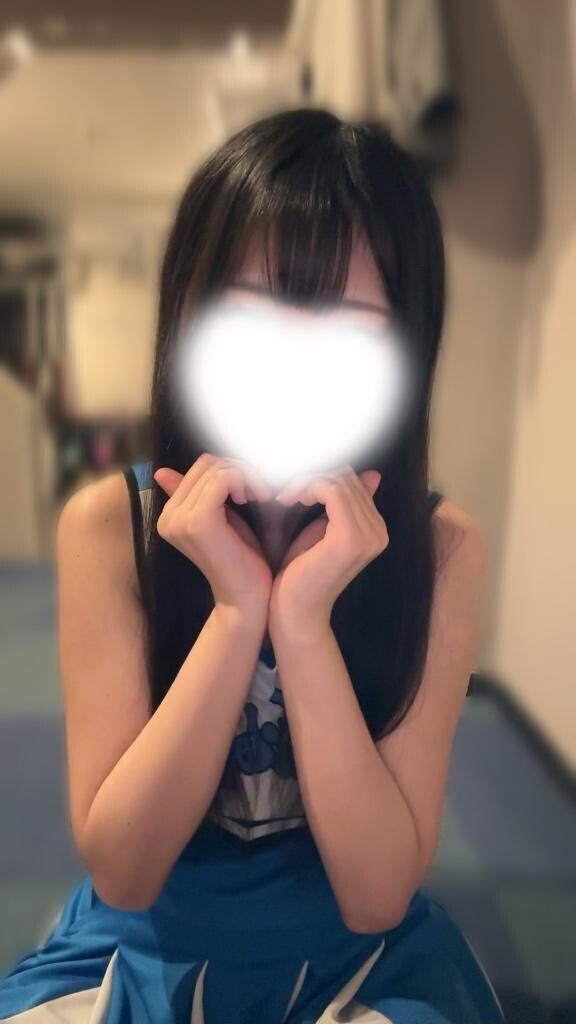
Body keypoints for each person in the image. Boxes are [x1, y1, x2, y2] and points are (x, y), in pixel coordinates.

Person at [0, 107, 506, 1023]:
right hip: (145, 941)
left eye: (347, 330)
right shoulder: (110, 528)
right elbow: (124, 870)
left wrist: (303, 624)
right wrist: (236, 614)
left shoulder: (440, 549)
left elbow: (376, 895)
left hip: (360, 954)